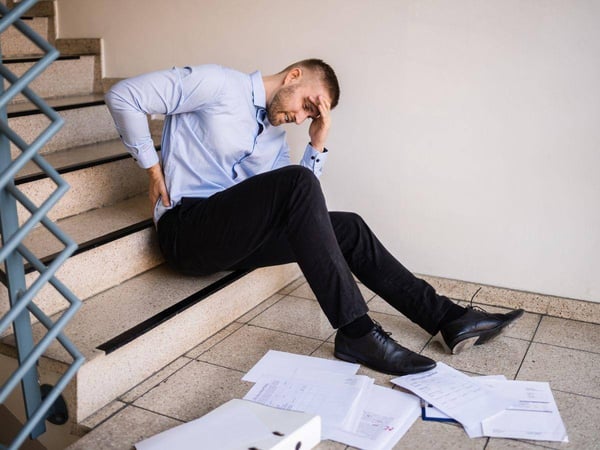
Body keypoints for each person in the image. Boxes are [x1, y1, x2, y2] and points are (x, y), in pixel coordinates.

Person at [105, 59, 523, 376]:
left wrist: (317, 143)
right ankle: (357, 332)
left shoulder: (272, 139)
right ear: (292, 76)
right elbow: (124, 94)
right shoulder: (217, 84)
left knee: (350, 226)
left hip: (231, 239)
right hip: (188, 231)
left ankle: (448, 319)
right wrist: (151, 166)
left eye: (311, 116)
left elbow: (299, 208)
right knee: (297, 182)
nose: (301, 118)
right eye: (307, 105)